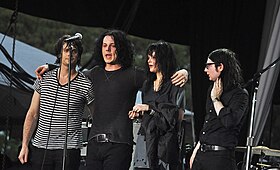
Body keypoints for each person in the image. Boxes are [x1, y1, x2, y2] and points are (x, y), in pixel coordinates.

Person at [35, 29, 188, 170]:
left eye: (112, 46)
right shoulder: (95, 74)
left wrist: (184, 72)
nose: (107, 49)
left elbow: (160, 77)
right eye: (104, 45)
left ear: (120, 48)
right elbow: (72, 73)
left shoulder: (133, 74)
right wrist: (51, 67)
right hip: (94, 144)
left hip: (120, 145)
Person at [18, 35, 94, 170]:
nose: (70, 54)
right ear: (60, 53)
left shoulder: (85, 84)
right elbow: (32, 114)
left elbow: (96, 115)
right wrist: (25, 145)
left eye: (74, 51)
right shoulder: (44, 78)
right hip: (41, 147)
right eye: (66, 50)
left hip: (69, 149)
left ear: (78, 55)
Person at [128, 41, 186, 170]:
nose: (149, 61)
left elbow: (176, 118)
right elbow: (148, 114)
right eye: (148, 57)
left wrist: (150, 108)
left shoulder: (175, 84)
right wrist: (139, 114)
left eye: (153, 57)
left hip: (165, 145)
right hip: (146, 139)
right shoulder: (147, 85)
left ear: (163, 59)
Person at [189, 48, 249, 170]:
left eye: (208, 66)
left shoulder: (240, 94)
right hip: (202, 154)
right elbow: (208, 123)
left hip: (220, 158)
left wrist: (216, 100)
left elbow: (229, 121)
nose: (205, 70)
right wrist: (196, 150)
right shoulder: (211, 89)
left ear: (220, 67)